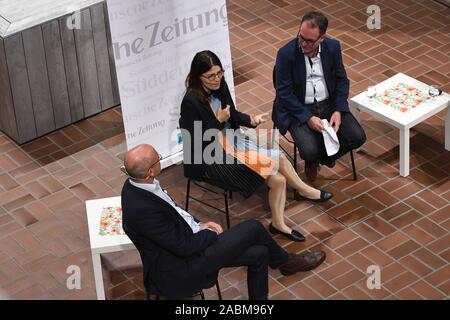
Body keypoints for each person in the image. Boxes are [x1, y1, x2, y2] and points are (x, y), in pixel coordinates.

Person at [121, 144, 326, 300]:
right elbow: (183, 247)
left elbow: (174, 217)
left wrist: (199, 225)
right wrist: (210, 232)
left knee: (260, 253)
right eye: (158, 159)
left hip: (190, 242)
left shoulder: (134, 184)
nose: (160, 161)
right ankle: (286, 262)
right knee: (255, 227)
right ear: (150, 172)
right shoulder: (142, 210)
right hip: (182, 266)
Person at [179, 50, 333, 242]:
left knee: (279, 175)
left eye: (219, 73)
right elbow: (195, 141)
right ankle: (301, 194)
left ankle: (281, 221)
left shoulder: (220, 87)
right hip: (210, 157)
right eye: (210, 76)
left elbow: (231, 114)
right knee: (279, 169)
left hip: (233, 143)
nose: (216, 79)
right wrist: (218, 121)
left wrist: (251, 120)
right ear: (198, 77)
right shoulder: (190, 102)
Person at [273, 11, 366, 181]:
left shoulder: (333, 47)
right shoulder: (286, 54)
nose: (303, 44)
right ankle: (314, 157)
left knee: (358, 137)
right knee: (309, 150)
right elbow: (284, 94)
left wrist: (338, 110)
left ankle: (322, 158)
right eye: (301, 37)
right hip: (298, 108)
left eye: (309, 41)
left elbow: (342, 80)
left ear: (321, 38)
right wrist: (308, 117)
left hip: (328, 104)